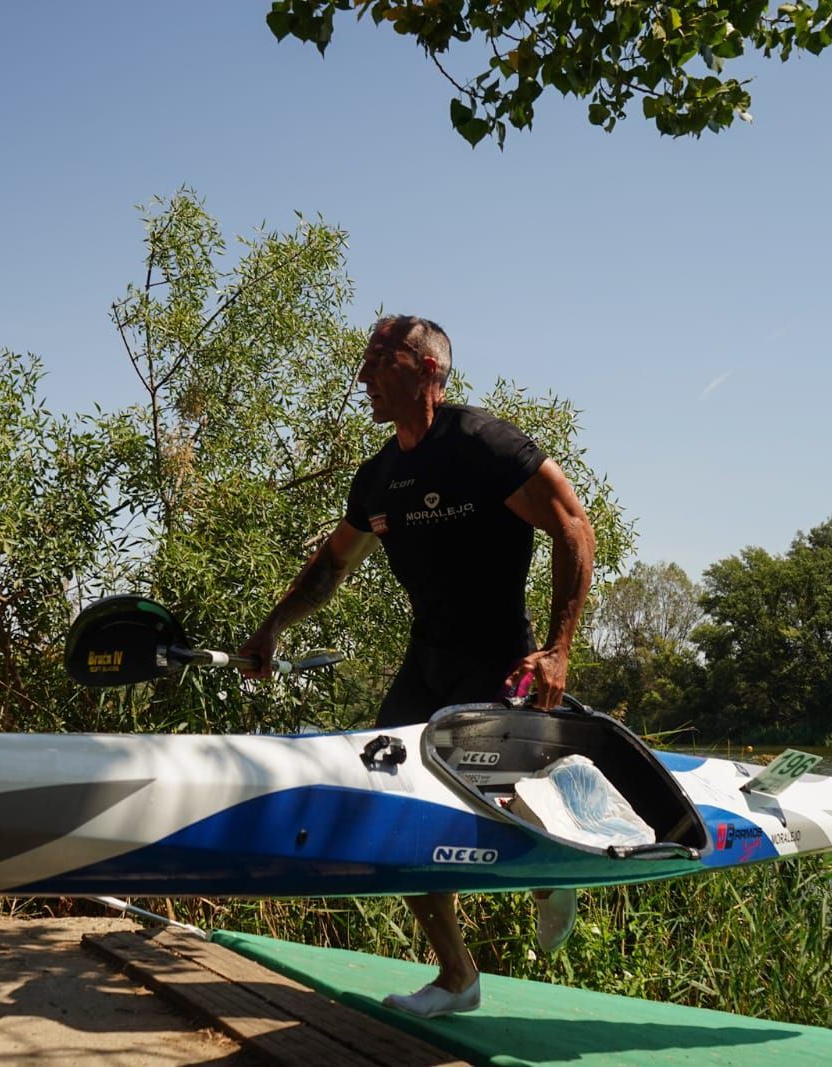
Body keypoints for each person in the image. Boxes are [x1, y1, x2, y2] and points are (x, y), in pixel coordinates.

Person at [238, 315, 596, 1019]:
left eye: (380, 359)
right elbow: (331, 565)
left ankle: (550, 877)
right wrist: (271, 628)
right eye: (363, 360)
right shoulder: (382, 477)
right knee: (389, 810)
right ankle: (458, 976)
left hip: (501, 660)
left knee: (500, 800)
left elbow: (574, 526)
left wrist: (558, 649)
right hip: (426, 664)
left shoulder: (485, 447)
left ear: (429, 368)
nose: (363, 375)